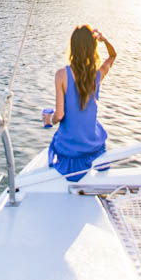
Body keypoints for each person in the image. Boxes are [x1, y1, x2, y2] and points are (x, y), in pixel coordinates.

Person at [43, 25, 116, 181]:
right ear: (93, 49)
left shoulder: (61, 75)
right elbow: (112, 56)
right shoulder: (97, 75)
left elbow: (60, 115)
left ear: (73, 47)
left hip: (70, 150)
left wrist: (49, 119)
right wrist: (105, 40)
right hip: (93, 146)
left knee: (55, 133)